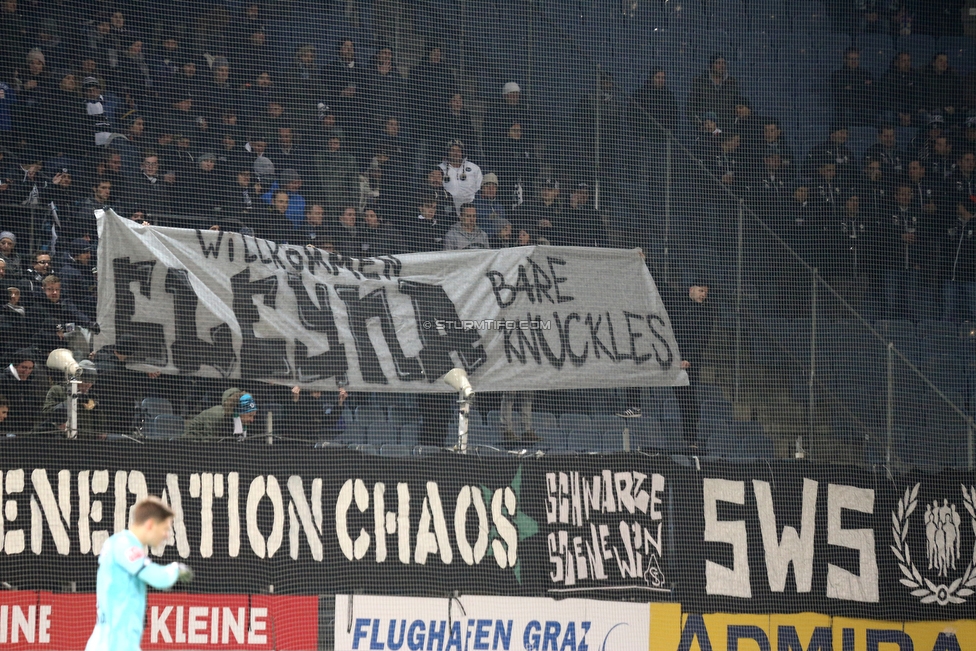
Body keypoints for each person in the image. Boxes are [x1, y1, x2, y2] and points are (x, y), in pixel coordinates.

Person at [85, 497, 193, 651]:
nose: (167, 535)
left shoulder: (122, 544)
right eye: (165, 528)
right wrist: (175, 569)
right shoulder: (123, 545)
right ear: (150, 525)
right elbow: (158, 578)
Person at [185, 388, 257, 439]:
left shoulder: (238, 420)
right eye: (250, 415)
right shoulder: (217, 415)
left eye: (253, 416)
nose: (252, 420)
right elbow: (209, 444)